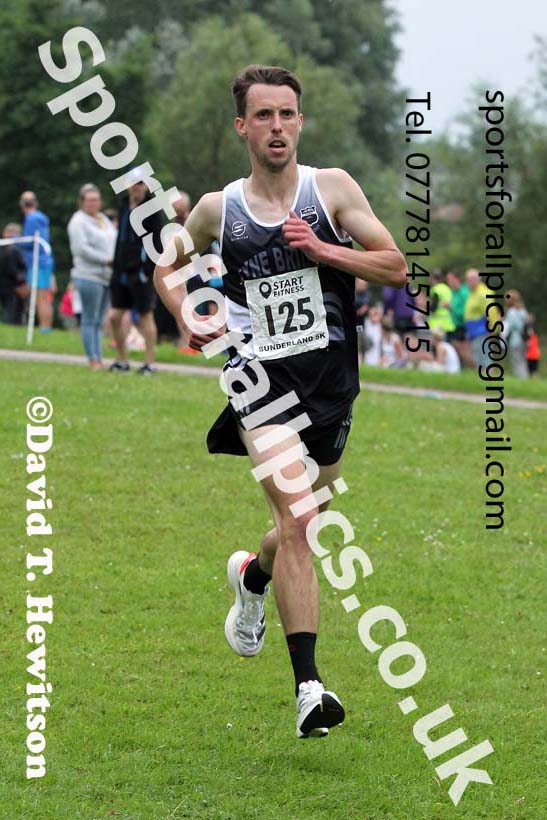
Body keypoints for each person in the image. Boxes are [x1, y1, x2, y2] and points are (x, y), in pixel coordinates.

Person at [154, 64, 406, 738]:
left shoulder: (331, 190)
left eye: (286, 114)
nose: (276, 126)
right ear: (242, 125)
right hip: (257, 383)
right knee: (296, 514)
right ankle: (309, 689)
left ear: (299, 121)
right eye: (263, 115)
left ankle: (253, 577)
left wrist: (322, 248)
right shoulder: (219, 208)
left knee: (302, 521)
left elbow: (393, 265)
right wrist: (186, 313)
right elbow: (167, 263)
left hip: (330, 386)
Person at [109, 173, 163, 374]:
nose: (136, 187)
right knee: (115, 316)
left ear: (146, 186)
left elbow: (157, 242)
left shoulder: (152, 210)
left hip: (141, 272)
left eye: (140, 183)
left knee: (145, 316)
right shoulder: (123, 206)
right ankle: (122, 360)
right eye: (132, 183)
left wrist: (149, 270)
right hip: (121, 270)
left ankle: (149, 363)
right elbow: (120, 239)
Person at [67, 184, 117, 370]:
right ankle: (92, 359)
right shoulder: (78, 222)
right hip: (88, 275)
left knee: (99, 319)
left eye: (96, 199)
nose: (94, 203)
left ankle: (99, 357)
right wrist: (106, 260)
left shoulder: (102, 218)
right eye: (90, 200)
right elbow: (81, 249)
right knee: (89, 318)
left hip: (106, 276)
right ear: (82, 202)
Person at [19, 191, 54, 331]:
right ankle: (46, 327)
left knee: (40, 298)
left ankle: (45, 328)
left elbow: (30, 242)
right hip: (45, 260)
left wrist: (16, 240)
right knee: (44, 297)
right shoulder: (41, 217)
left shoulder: (31, 218)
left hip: (37, 262)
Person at [464, 268, 498, 368]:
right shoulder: (472, 293)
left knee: (483, 356)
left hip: (481, 329)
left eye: (470, 279)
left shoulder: (483, 293)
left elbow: (491, 311)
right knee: (477, 356)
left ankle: (489, 378)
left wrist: (493, 328)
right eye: (467, 280)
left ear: (477, 280)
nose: (468, 282)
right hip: (473, 330)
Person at [0, 223, 28, 324]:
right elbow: (14, 269)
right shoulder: (14, 250)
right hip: (14, 285)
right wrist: (22, 281)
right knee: (14, 310)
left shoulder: (5, 249)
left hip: (7, 284)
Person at [446, 271, 472, 367]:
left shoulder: (464, 292)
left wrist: (451, 307)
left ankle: (476, 369)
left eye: (450, 279)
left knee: (464, 351)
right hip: (455, 326)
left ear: (457, 279)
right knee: (457, 350)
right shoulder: (453, 292)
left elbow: (465, 312)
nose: (449, 282)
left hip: (464, 325)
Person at [503, 290, 529, 379]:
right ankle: (525, 379)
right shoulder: (523, 310)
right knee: (523, 360)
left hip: (515, 339)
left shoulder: (511, 312)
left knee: (516, 361)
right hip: (524, 339)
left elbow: (509, 327)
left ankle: (521, 380)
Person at [429, 271, 455, 339]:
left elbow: (433, 308)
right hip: (449, 323)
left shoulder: (436, 289)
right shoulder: (447, 288)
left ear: (433, 279)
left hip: (438, 326)